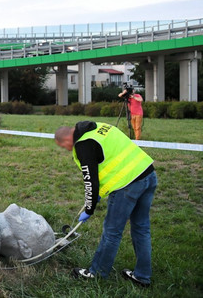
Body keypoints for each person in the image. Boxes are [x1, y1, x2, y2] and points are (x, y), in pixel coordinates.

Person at [54, 121, 157, 287]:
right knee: (141, 228)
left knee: (112, 232)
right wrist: (99, 195)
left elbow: (90, 181)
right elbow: (108, 158)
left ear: (66, 140)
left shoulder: (84, 145)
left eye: (64, 146)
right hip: (148, 174)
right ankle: (142, 276)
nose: (67, 150)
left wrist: (89, 207)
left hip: (127, 186)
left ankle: (96, 273)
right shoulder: (99, 127)